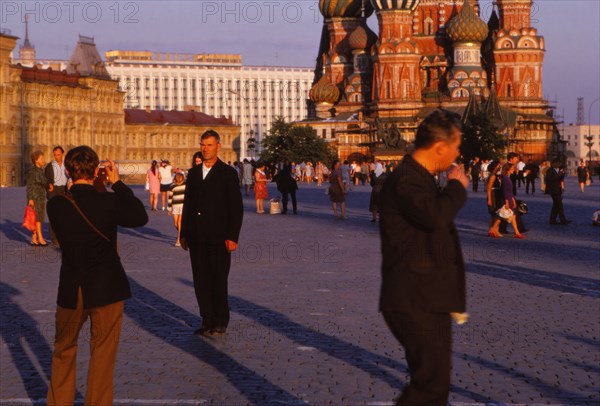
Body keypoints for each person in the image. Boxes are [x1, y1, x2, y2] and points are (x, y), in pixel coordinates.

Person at [379, 109, 469, 405]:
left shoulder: (420, 178)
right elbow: (435, 216)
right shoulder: (406, 179)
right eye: (456, 146)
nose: (458, 153)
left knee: (432, 385)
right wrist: (456, 186)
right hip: (415, 299)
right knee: (429, 386)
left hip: (428, 297)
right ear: (440, 147)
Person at [46, 146, 148, 405]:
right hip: (107, 288)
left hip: (71, 289)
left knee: (63, 351)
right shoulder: (109, 201)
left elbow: (77, 204)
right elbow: (139, 216)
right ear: (96, 170)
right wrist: (117, 184)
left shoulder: (56, 204)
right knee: (102, 354)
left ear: (67, 171)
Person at [180, 130, 244, 337]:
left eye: (209, 145)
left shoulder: (227, 173)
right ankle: (207, 319)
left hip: (219, 237)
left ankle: (220, 321)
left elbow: (235, 208)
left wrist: (232, 236)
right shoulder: (194, 173)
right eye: (202, 145)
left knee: (218, 278)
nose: (205, 149)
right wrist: (184, 234)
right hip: (197, 236)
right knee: (200, 279)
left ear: (218, 146)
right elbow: (187, 204)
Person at [489, 164, 526, 239]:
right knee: (502, 216)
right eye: (512, 168)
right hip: (506, 199)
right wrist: (507, 202)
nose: (513, 170)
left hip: (509, 198)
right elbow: (505, 191)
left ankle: (516, 232)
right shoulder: (506, 178)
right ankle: (493, 230)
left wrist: (513, 199)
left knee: (511, 216)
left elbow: (510, 191)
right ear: (508, 170)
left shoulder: (507, 178)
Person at [45, 146, 69, 246]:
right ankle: (54, 238)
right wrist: (48, 185)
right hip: (54, 190)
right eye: (55, 155)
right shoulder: (50, 166)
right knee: (54, 215)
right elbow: (45, 179)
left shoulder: (67, 165)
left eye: (58, 155)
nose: (56, 157)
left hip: (64, 190)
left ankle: (64, 236)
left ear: (62, 154)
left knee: (65, 215)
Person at [25, 150, 50, 246]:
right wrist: (30, 199)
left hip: (40, 196)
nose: (43, 160)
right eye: (41, 158)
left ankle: (34, 238)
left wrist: (48, 185)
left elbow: (44, 182)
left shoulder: (40, 170)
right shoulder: (32, 171)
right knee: (38, 218)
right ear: (36, 160)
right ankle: (40, 237)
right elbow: (30, 185)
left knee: (37, 217)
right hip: (35, 197)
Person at [546, 158, 571, 225]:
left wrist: (562, 174)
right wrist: (558, 175)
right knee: (559, 205)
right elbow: (549, 179)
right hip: (553, 190)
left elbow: (560, 179)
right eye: (558, 163)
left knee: (556, 205)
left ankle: (552, 220)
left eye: (560, 164)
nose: (559, 165)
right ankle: (563, 220)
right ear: (554, 163)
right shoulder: (549, 170)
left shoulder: (558, 170)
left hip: (558, 189)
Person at [168, 172, 186, 247]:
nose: (179, 180)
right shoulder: (172, 186)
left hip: (183, 206)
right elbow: (170, 197)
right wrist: (169, 208)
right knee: (175, 223)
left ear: (182, 178)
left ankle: (178, 239)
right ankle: (183, 233)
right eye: (177, 178)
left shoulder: (185, 185)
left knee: (179, 222)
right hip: (175, 206)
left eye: (180, 178)